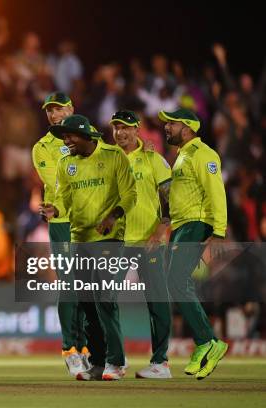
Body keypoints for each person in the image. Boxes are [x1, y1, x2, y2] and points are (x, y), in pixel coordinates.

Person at [41, 114, 136, 381]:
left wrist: (113, 216)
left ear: (85, 135)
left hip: (109, 238)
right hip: (79, 239)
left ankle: (116, 362)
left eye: (69, 136)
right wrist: (55, 209)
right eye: (63, 137)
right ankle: (96, 362)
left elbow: (130, 194)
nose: (65, 141)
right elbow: (65, 200)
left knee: (105, 298)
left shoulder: (113, 156)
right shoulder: (65, 163)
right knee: (88, 304)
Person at [158, 108, 228, 380]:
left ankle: (209, 342)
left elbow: (216, 192)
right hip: (181, 226)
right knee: (176, 283)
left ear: (187, 127)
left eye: (171, 123)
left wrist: (218, 231)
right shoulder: (182, 156)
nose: (166, 127)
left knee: (175, 282)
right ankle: (206, 343)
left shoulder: (204, 155)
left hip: (195, 224)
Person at [110, 110, 173, 379]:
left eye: (125, 127)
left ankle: (161, 363)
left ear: (137, 130)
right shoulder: (106, 159)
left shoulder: (153, 159)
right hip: (116, 241)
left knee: (157, 302)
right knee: (105, 299)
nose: (120, 132)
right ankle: (115, 361)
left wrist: (160, 230)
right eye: (115, 127)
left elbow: (171, 198)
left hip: (148, 241)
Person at [32, 92, 89, 376]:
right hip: (62, 221)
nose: (54, 115)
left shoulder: (90, 138)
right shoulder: (42, 147)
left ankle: (87, 348)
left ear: (71, 108)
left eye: (59, 109)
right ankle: (70, 349)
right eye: (50, 111)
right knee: (69, 284)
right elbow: (57, 180)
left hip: (89, 221)